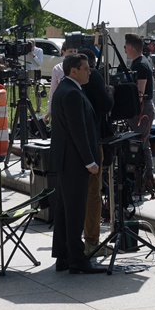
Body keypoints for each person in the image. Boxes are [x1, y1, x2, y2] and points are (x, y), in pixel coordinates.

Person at [49, 52, 104, 274]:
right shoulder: (71, 93)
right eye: (86, 68)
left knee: (65, 210)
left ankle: (63, 255)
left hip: (66, 159)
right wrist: (90, 161)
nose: (89, 72)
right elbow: (78, 130)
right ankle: (76, 259)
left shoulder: (65, 89)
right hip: (74, 161)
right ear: (74, 71)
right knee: (74, 211)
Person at [76, 46, 114, 257]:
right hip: (92, 142)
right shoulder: (92, 78)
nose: (89, 74)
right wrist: (110, 92)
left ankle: (82, 239)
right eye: (87, 70)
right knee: (93, 192)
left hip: (79, 145)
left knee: (84, 193)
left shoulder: (67, 84)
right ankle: (91, 241)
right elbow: (106, 105)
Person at [124, 33, 155, 194]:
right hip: (143, 109)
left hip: (142, 110)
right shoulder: (141, 62)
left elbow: (140, 93)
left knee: (142, 146)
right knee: (141, 145)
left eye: (125, 47)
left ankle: (145, 182)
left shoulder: (140, 65)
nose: (124, 50)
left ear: (131, 47)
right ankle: (143, 182)